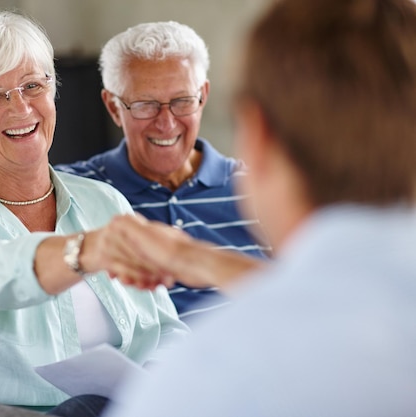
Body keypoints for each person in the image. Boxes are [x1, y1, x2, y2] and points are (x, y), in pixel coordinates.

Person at [97, 0, 416, 415]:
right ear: (113, 107)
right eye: (144, 105)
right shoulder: (81, 190)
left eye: (181, 102)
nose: (166, 122)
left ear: (257, 133)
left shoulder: (210, 374)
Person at [0, 20, 269, 324]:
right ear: (114, 107)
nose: (165, 123)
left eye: (32, 85)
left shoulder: (101, 199)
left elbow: (159, 331)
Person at [0, 10, 188, 414]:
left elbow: (165, 329)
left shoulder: (104, 202)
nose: (21, 108)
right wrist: (89, 251)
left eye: (32, 85)